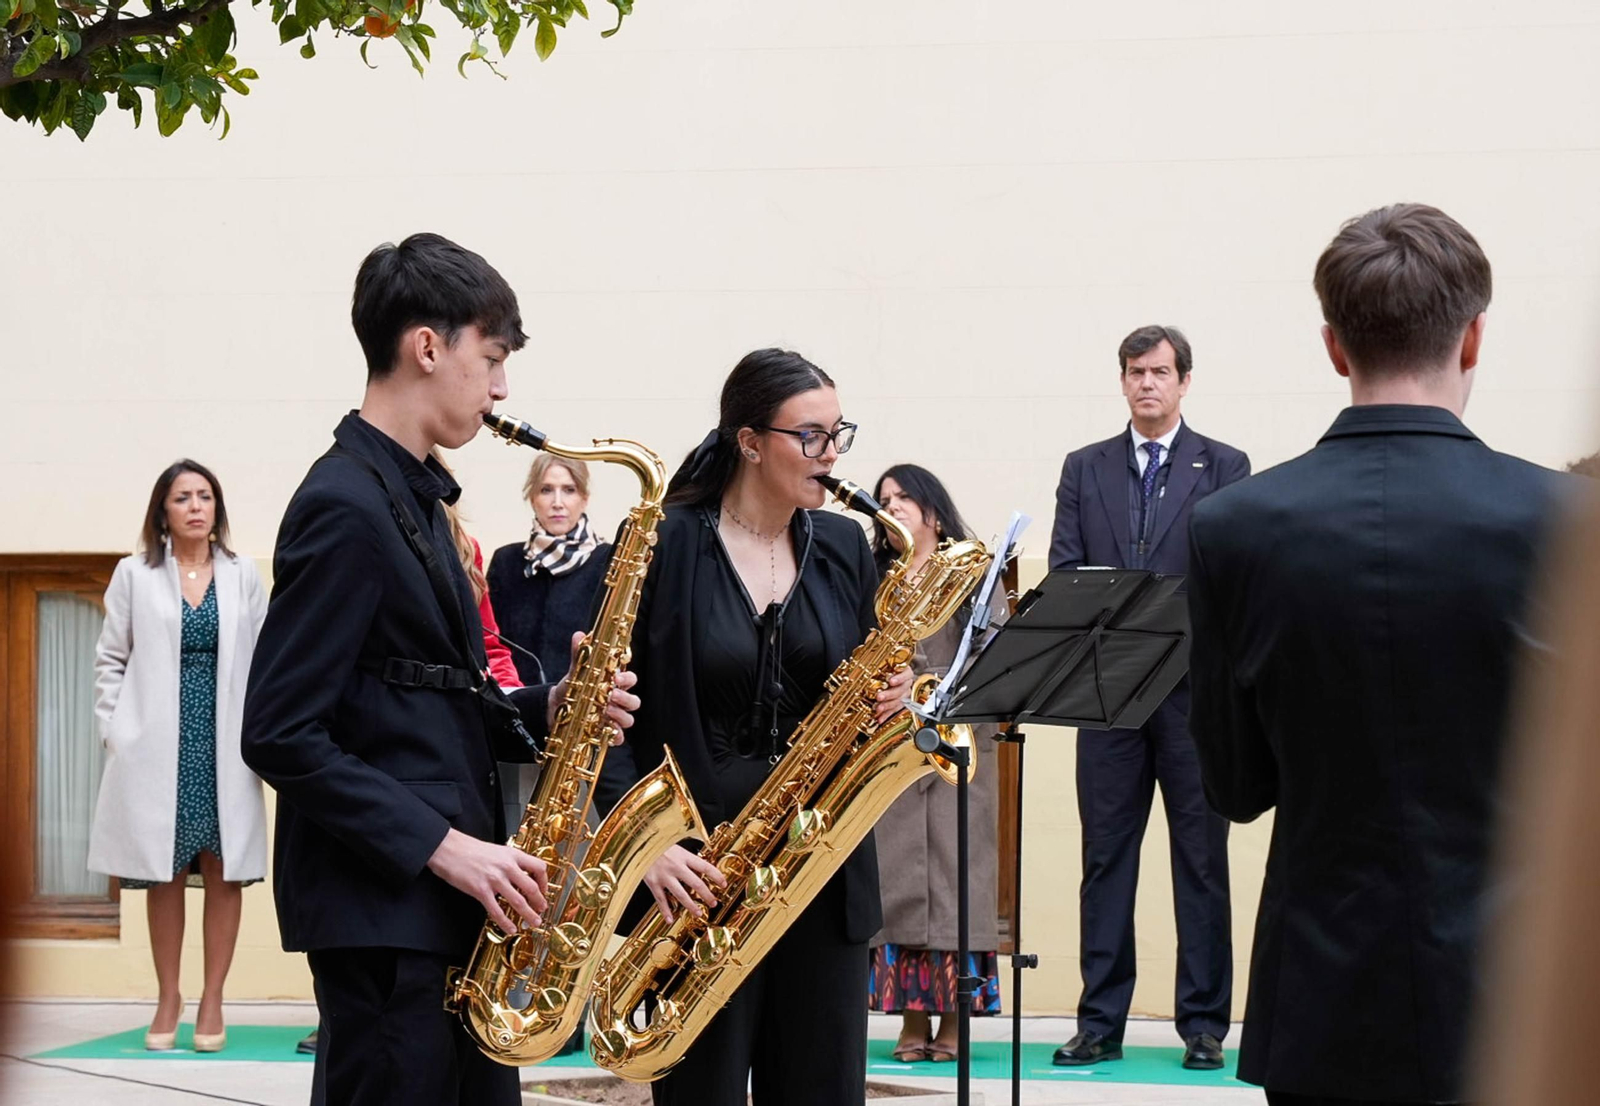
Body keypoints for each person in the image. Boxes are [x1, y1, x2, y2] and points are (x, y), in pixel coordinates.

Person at [241, 232, 639, 1106]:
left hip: (440, 904)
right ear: (429, 346)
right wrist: (444, 847)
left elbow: (423, 693)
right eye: (491, 358)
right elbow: (277, 732)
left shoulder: (412, 498)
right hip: (389, 908)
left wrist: (556, 705)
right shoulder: (344, 504)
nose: (501, 390)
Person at [1186, 203, 1570, 1106]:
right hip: (1518, 992)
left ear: (1333, 346)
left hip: (1322, 988)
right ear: (1474, 339)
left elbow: (1236, 787)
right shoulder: (1567, 522)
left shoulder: (1231, 527)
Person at [593, 347, 910, 1106]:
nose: (830, 455)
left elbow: (858, 706)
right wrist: (648, 846)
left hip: (819, 874)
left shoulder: (842, 549)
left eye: (839, 433)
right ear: (747, 439)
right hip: (697, 885)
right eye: (809, 435)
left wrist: (893, 700)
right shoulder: (660, 546)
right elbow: (599, 724)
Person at [1047, 324, 1249, 1070]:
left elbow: (1226, 573)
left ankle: (1203, 1025)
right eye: (1135, 372)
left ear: (1184, 381)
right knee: (1106, 859)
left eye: (1160, 371)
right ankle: (1099, 1022)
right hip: (1106, 697)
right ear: (1123, 380)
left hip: (1196, 698)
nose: (1146, 384)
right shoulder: (1084, 468)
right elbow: (1067, 571)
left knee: (1200, 861)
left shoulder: (1226, 466)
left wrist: (1148, 608)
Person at [88, 459, 268, 1053]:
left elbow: (265, 660)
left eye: (205, 496)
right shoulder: (134, 575)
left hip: (225, 742)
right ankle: (169, 996)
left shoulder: (242, 576)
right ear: (162, 511)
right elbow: (111, 658)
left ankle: (213, 998)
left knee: (224, 870)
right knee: (163, 872)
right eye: (182, 497)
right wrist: (116, 730)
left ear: (217, 508)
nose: (195, 506)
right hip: (156, 745)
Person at [867, 464, 1004, 1063]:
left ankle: (954, 1021)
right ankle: (910, 1023)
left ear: (934, 511)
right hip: (891, 754)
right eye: (883, 500)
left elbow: (997, 655)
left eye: (904, 498)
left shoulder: (972, 574)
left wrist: (932, 689)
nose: (892, 506)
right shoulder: (872, 575)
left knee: (955, 885)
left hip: (958, 753)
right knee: (898, 887)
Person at [488, 453, 609, 830]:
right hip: (517, 726)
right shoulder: (507, 562)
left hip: (580, 735)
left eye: (569, 490)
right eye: (546, 490)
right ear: (532, 498)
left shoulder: (607, 560)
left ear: (584, 498)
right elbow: (495, 645)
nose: (558, 501)